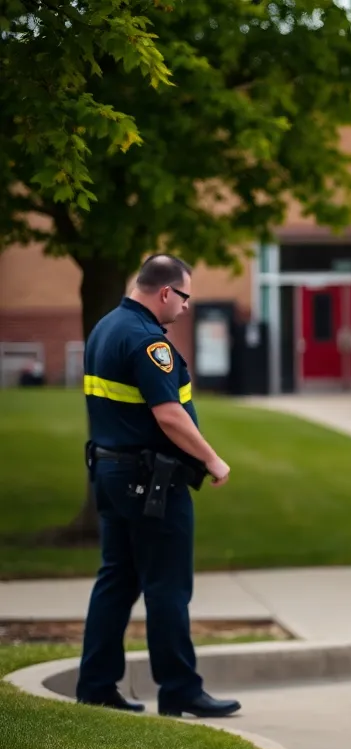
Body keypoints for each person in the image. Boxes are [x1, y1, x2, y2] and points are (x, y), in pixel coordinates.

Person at [76, 254, 241, 718]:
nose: (187, 307)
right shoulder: (150, 343)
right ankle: (180, 690)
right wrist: (211, 459)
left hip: (110, 475)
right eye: (185, 296)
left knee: (116, 580)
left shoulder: (105, 327)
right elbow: (168, 415)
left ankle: (95, 685)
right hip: (150, 483)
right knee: (167, 586)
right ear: (166, 292)